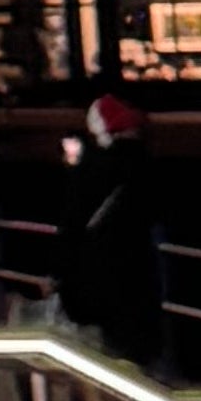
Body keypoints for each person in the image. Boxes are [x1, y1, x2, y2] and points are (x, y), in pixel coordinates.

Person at [59, 88, 175, 382]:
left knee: (107, 353)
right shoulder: (144, 164)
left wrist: (60, 274)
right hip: (136, 268)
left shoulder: (89, 169)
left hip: (95, 275)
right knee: (139, 346)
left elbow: (71, 225)